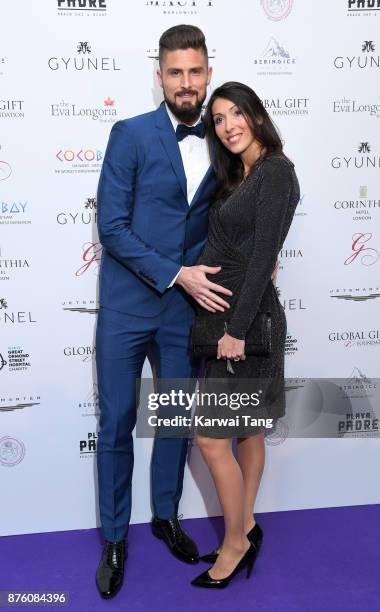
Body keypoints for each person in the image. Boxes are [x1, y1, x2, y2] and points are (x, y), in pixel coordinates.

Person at [94, 24, 238, 599]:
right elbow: (112, 227)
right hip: (129, 307)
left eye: (195, 72)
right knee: (117, 421)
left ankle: (165, 517)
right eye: (174, 72)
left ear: (208, 72)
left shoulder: (222, 140)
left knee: (174, 423)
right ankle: (113, 537)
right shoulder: (128, 134)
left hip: (184, 314)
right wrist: (175, 272)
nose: (186, 83)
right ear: (160, 75)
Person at [190, 82, 300, 589]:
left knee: (211, 439)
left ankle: (234, 544)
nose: (229, 125)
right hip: (229, 317)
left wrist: (236, 330)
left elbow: (261, 259)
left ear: (256, 116)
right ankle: (248, 525)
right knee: (249, 430)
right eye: (218, 118)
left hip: (246, 323)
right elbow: (256, 248)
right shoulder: (239, 175)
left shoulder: (276, 171)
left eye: (238, 113)